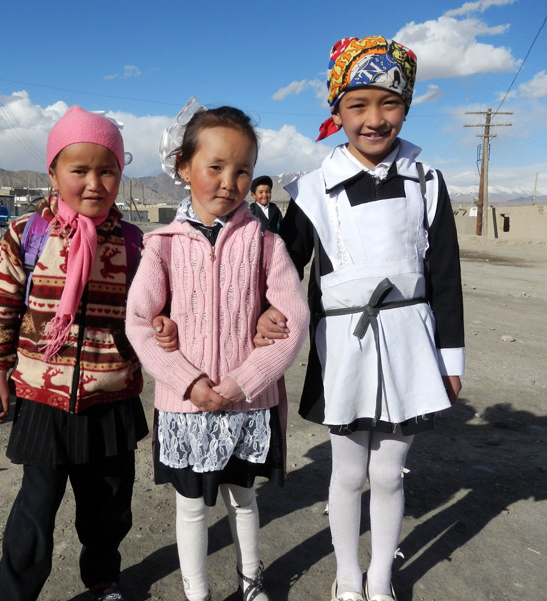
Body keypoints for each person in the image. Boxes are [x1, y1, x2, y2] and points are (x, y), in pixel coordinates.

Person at [256, 36, 465, 601]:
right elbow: (279, 269)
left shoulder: (428, 182)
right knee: (348, 474)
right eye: (358, 105)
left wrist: (450, 359)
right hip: (344, 347)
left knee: (391, 473)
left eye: (389, 103)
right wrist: (262, 317)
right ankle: (348, 579)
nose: (374, 119)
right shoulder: (309, 190)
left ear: (407, 106)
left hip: (409, 345)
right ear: (337, 111)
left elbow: (444, 276)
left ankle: (380, 579)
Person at [0, 106, 171, 601]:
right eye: (78, 170)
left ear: (120, 174)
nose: (93, 183)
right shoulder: (27, 235)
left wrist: (165, 323)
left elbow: (153, 309)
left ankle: (103, 581)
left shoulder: (133, 244)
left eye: (107, 171)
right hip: (43, 398)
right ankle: (14, 593)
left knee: (108, 507)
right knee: (35, 509)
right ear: (53, 172)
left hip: (111, 398)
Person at [126, 100, 309, 601]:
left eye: (243, 169)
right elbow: (140, 322)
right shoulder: (160, 244)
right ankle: (197, 593)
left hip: (247, 404)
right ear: (184, 167)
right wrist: (188, 380)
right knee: (190, 507)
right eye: (216, 167)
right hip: (186, 406)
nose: (230, 181)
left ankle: (252, 583)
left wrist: (241, 382)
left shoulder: (266, 243)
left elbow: (292, 320)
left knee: (245, 500)